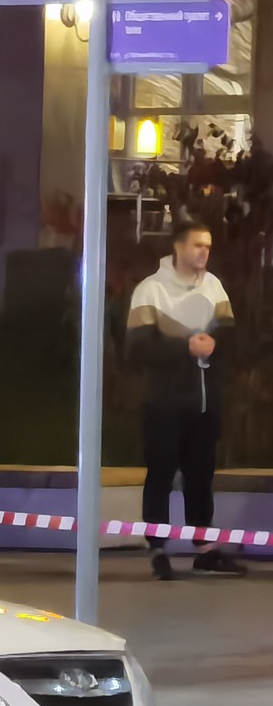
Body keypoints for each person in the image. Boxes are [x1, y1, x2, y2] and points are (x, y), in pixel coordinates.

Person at [126, 218, 246, 579]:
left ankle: (205, 550)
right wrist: (185, 348)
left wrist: (215, 344)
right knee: (161, 475)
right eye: (197, 245)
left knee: (201, 477)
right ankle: (158, 550)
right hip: (162, 405)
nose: (204, 252)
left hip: (205, 404)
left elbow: (231, 336)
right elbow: (137, 349)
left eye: (208, 246)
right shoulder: (150, 290)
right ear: (178, 247)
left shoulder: (214, 287)